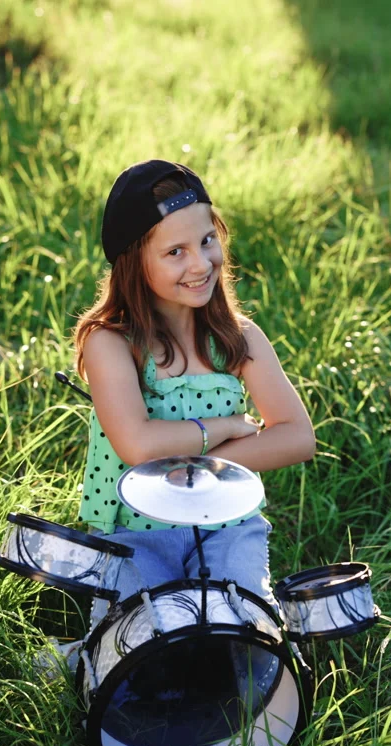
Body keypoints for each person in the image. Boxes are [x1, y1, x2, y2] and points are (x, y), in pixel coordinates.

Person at [74, 159, 315, 618]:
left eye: (206, 240)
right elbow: (138, 444)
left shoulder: (238, 337)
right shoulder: (113, 342)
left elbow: (298, 436)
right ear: (134, 262)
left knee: (242, 626)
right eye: (175, 252)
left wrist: (200, 471)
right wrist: (224, 427)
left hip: (228, 527)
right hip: (135, 534)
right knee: (150, 634)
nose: (201, 264)